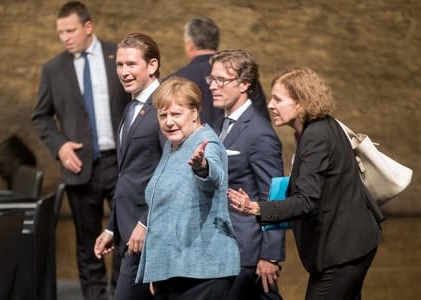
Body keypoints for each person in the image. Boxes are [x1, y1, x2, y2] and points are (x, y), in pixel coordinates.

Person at [228, 67, 383, 300]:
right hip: (350, 245)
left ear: (301, 103)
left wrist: (255, 207)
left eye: (278, 99)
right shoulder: (317, 128)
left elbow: (306, 200)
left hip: (344, 250)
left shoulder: (316, 136)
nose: (270, 105)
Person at [31, 2, 130, 299]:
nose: (65, 37)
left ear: (88, 27)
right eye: (60, 32)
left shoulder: (119, 57)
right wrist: (59, 146)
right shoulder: (52, 69)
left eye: (70, 30)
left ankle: (123, 294)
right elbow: (41, 116)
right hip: (78, 168)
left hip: (122, 164)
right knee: (88, 244)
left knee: (126, 239)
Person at [135, 76, 240, 299]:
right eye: (163, 115)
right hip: (174, 269)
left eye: (176, 114)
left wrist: (202, 167)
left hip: (203, 271)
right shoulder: (172, 145)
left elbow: (214, 177)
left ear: (194, 112)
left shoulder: (206, 143)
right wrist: (158, 269)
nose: (168, 122)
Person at [208, 50, 285, 300]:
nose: (213, 86)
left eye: (222, 80)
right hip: (222, 247)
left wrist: (270, 255)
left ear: (244, 84)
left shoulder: (260, 133)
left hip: (247, 249)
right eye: (212, 79)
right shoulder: (221, 124)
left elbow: (274, 196)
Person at [94, 32, 164, 300]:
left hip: (151, 233)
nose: (124, 71)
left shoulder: (163, 105)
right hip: (127, 231)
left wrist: (145, 223)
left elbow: (169, 171)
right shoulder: (131, 105)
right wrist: (112, 227)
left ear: (152, 65)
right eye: (120, 65)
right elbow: (126, 174)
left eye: (131, 64)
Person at [172, 17, 269, 126]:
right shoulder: (242, 73)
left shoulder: (175, 81)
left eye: (221, 79)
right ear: (216, 42)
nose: (212, 86)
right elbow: (262, 118)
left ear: (190, 45)